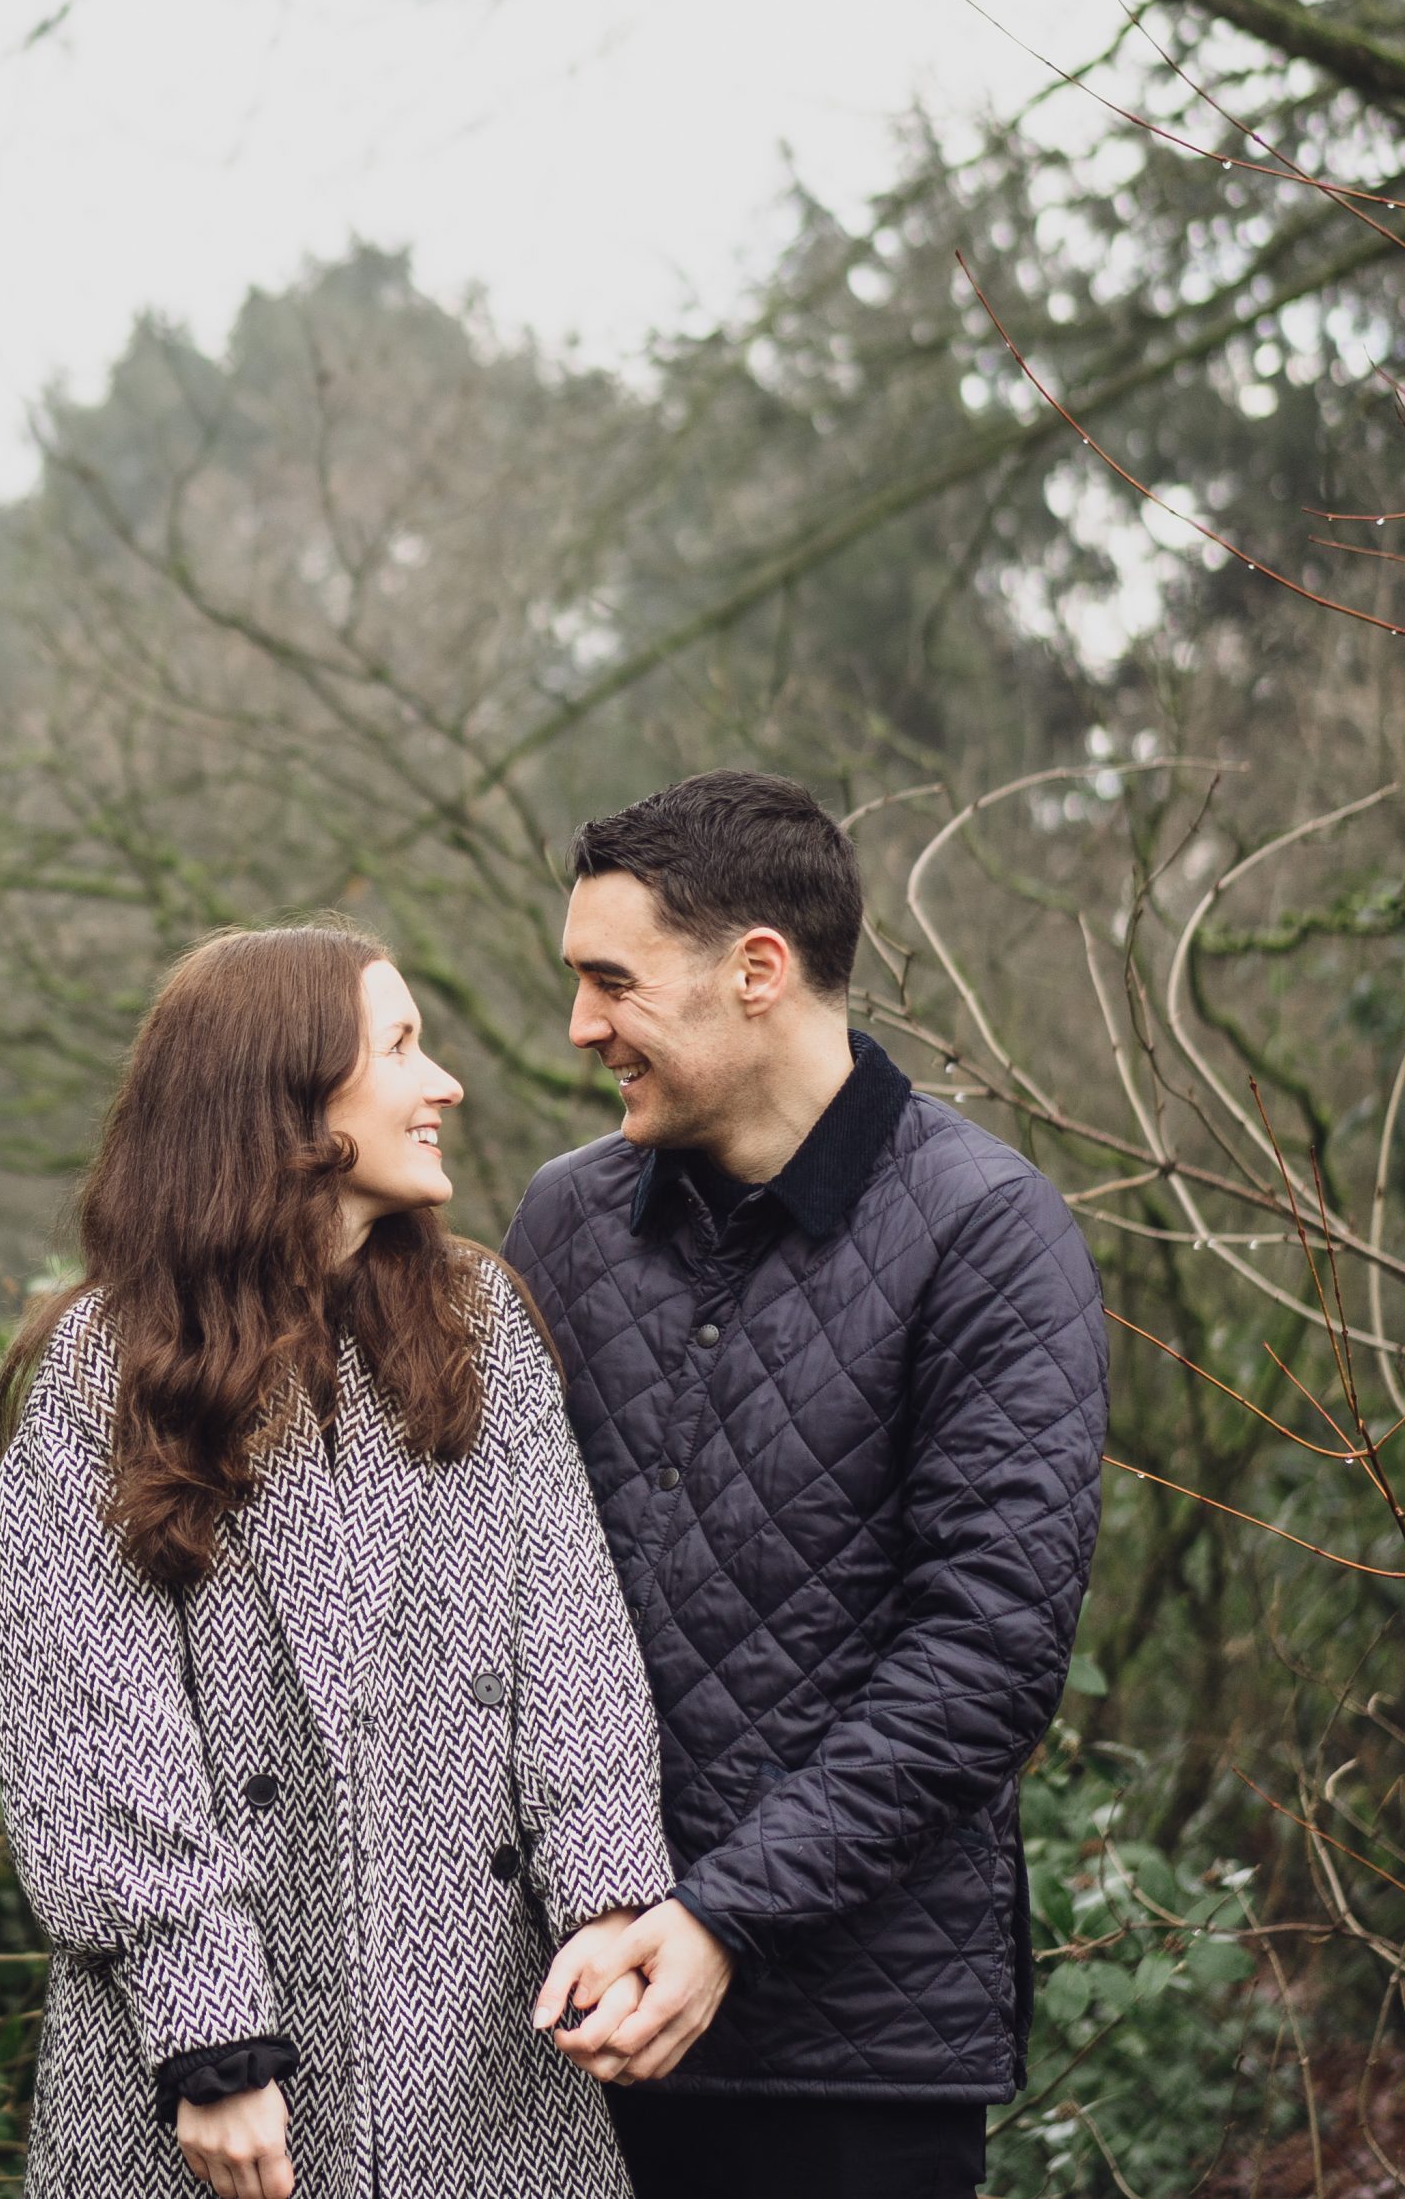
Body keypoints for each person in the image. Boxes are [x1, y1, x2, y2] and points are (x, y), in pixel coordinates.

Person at [0, 924, 682, 2199]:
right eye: (403, 1047)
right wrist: (207, 2035)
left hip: (484, 2052)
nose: (445, 1085)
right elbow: (91, 1727)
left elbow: (571, 1638)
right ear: (285, 1099)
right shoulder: (109, 1367)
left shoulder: (473, 1325)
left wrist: (606, 1900)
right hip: (200, 2073)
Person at [507, 772, 1110, 2199]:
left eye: (611, 981)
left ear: (757, 970)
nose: (582, 1025)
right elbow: (494, 1595)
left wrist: (722, 1915)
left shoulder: (988, 1231)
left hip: (859, 2055)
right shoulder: (564, 1216)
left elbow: (987, 1654)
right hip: (564, 2034)